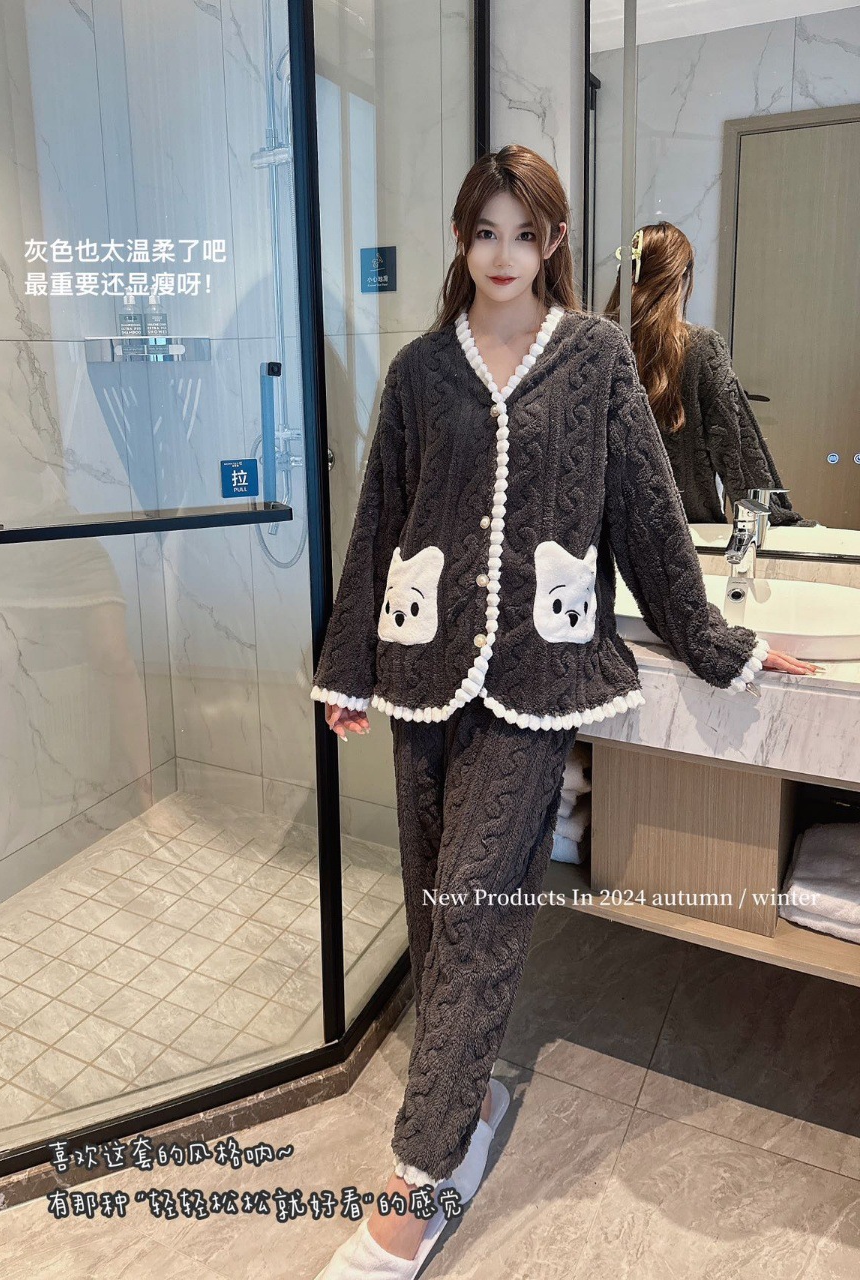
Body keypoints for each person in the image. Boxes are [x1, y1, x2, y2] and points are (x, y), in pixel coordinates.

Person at [309, 146, 818, 1280]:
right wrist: (348, 668)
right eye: (485, 232)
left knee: (478, 910)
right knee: (438, 903)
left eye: (525, 233)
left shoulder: (593, 359)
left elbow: (646, 518)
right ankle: (474, 1099)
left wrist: (719, 642)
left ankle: (417, 1181)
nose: (504, 255)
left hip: (536, 685)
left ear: (555, 242)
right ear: (462, 240)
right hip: (420, 671)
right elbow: (380, 517)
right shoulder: (420, 371)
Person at [602, 221, 816, 527]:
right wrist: (775, 518)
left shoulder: (597, 345)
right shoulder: (701, 348)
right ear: (683, 277)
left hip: (608, 536)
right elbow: (736, 449)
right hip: (686, 531)